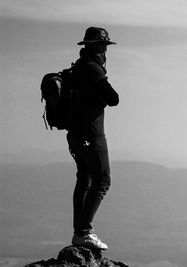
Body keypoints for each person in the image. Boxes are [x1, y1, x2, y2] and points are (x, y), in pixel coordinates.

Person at [66, 27, 119, 250]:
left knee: (85, 179)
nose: (105, 50)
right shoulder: (93, 69)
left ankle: (80, 232)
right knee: (102, 180)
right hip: (91, 137)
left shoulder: (77, 68)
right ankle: (83, 232)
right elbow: (113, 98)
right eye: (103, 45)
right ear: (96, 46)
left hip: (76, 136)